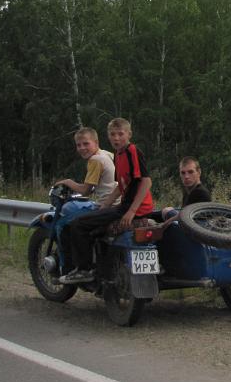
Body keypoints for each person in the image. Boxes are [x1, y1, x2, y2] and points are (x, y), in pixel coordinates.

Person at [59, 118, 155, 284]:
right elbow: (120, 186)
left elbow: (146, 182)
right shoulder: (117, 155)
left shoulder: (132, 151)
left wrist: (131, 212)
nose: (116, 138)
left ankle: (84, 269)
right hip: (123, 206)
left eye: (120, 134)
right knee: (94, 227)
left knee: (78, 225)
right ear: (108, 137)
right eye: (112, 134)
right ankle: (103, 270)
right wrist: (105, 206)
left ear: (129, 134)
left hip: (131, 208)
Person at [51, 127, 117, 266]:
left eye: (86, 144)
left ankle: (75, 266)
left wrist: (68, 182)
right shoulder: (108, 155)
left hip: (105, 206)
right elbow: (103, 183)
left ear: (96, 142)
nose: (82, 148)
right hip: (117, 205)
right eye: (79, 145)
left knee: (63, 224)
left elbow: (85, 190)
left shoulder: (95, 160)